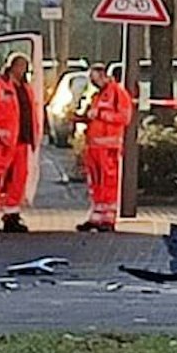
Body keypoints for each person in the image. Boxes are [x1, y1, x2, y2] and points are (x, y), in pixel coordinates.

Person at [0, 53, 40, 234]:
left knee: (19, 178)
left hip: (21, 140)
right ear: (11, 66)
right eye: (20, 66)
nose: (23, 70)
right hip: (0, 141)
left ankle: (12, 215)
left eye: (25, 66)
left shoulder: (25, 88)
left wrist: (34, 136)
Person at [74, 63, 134, 233]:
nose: (93, 82)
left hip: (109, 146)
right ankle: (96, 216)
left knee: (109, 182)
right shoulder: (97, 96)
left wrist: (100, 115)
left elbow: (125, 117)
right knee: (96, 183)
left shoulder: (117, 93)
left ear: (103, 75)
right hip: (94, 146)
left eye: (95, 78)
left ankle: (108, 218)